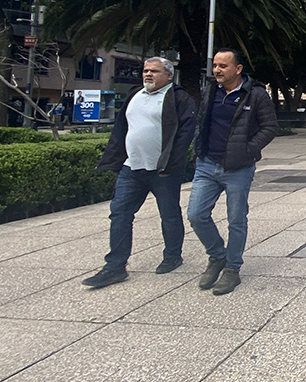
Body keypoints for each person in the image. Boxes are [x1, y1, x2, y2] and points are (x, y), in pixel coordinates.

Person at [83, 57, 196, 289]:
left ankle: (172, 256)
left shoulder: (179, 98)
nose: (148, 74)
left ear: (169, 75)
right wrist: (115, 163)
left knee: (169, 214)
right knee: (119, 214)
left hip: (162, 171)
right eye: (145, 70)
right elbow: (120, 130)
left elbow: (184, 137)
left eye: (154, 71)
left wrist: (172, 167)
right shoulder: (134, 95)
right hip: (131, 168)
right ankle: (115, 267)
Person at [187, 48, 277, 295]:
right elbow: (202, 122)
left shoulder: (256, 94)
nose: (217, 70)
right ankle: (217, 256)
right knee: (196, 215)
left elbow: (269, 127)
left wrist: (248, 151)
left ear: (238, 69)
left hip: (238, 167)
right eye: (215, 65)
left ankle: (232, 269)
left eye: (223, 66)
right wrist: (198, 148)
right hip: (207, 164)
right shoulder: (211, 91)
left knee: (236, 220)